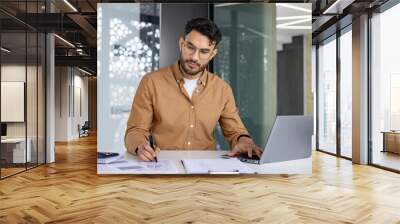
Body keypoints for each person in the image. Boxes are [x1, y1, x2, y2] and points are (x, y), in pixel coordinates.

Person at [124, 17, 262, 162]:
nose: (194, 57)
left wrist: (245, 141)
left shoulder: (222, 89)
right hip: (164, 167)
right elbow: (135, 130)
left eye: (204, 51)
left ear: (213, 54)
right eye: (190, 47)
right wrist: (140, 145)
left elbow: (236, 131)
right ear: (181, 44)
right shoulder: (151, 82)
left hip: (206, 170)